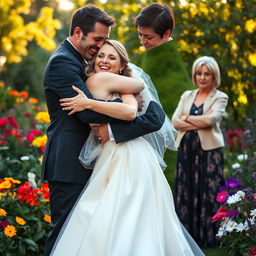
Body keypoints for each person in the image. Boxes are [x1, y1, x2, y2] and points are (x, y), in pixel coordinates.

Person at [50, 39, 204, 256]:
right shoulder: (98, 80)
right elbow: (130, 106)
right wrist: (119, 99)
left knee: (131, 214)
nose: (104, 60)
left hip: (132, 155)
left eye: (112, 57)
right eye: (101, 55)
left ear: (121, 65)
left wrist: (90, 103)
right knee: (114, 212)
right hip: (114, 154)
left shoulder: (118, 82)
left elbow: (131, 112)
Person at [42, 5, 166, 256]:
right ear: (78, 32)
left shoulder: (84, 63)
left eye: (105, 41)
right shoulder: (62, 63)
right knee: (64, 235)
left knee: (88, 236)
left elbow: (92, 104)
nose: (100, 48)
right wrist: (129, 104)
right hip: (69, 162)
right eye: (98, 40)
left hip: (93, 160)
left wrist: (127, 101)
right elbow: (86, 113)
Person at [172, 56, 228, 248]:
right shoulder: (187, 95)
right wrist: (197, 120)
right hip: (187, 149)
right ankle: (188, 238)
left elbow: (211, 121)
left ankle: (210, 238)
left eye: (207, 74)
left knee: (208, 191)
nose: (202, 77)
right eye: (199, 73)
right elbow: (174, 121)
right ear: (195, 75)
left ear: (214, 77)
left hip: (209, 152)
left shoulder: (220, 97)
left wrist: (186, 118)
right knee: (186, 189)